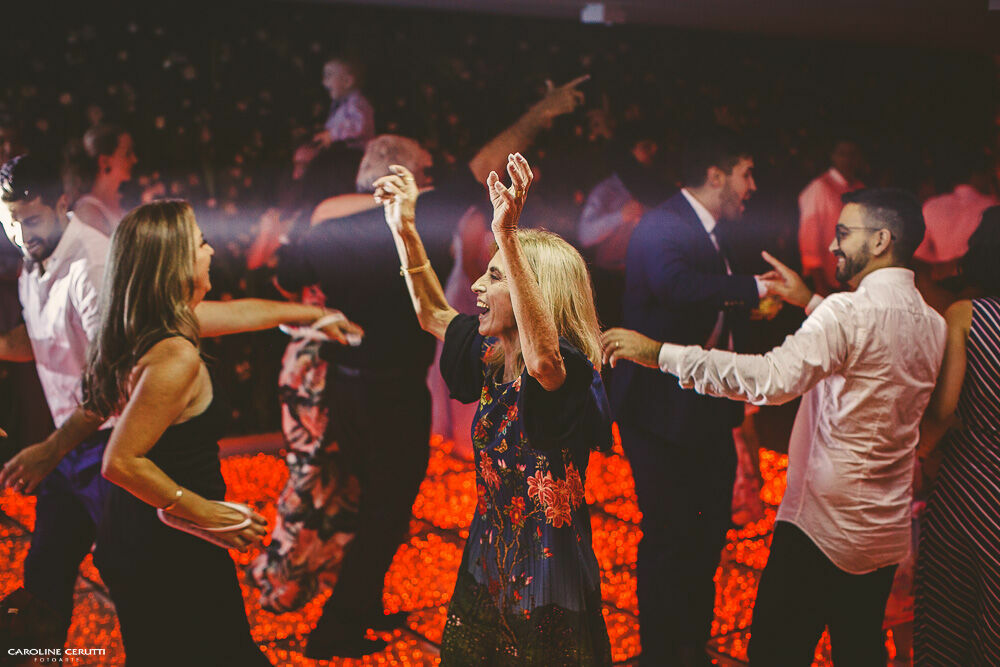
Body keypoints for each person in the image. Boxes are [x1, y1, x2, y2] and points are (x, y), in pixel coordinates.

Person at [604, 188, 946, 666]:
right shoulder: (933, 323)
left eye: (844, 234)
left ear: (880, 241)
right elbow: (870, 348)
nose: (831, 246)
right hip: (885, 534)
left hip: (821, 526)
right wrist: (810, 302)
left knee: (775, 653)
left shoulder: (846, 314)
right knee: (861, 650)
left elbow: (768, 380)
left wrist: (658, 354)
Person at [79, 200, 362, 665]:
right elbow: (120, 461)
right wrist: (208, 514)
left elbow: (243, 313)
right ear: (176, 265)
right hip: (167, 548)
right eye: (201, 243)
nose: (211, 251)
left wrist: (313, 315)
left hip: (148, 531)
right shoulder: (175, 355)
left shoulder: (160, 321)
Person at [377, 153, 612, 665]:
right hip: (489, 548)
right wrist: (404, 229)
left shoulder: (565, 369)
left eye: (495, 278)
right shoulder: (488, 358)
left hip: (550, 565)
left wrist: (508, 234)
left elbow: (543, 358)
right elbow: (431, 313)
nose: (478, 288)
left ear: (538, 293)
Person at [609, 129, 764, 667]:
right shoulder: (663, 224)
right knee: (670, 533)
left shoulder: (715, 232)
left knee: (710, 529)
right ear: (716, 175)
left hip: (705, 406)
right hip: (658, 410)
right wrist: (757, 290)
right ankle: (659, 654)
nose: (752, 186)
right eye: (746, 172)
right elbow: (675, 286)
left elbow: (701, 307)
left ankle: (691, 647)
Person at [914, 206, 1000, 666]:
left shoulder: (966, 314)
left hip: (972, 485)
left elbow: (944, 411)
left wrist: (919, 454)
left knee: (951, 612)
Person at [578, 122, 663, 328]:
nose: (653, 152)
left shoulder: (655, 189)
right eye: (645, 147)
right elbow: (585, 234)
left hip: (646, 281)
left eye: (655, 146)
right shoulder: (606, 191)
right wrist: (620, 216)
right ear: (629, 152)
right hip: (610, 281)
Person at [798, 137, 866, 296]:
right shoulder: (819, 188)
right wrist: (821, 287)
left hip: (855, 283)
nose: (848, 160)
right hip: (827, 282)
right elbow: (809, 243)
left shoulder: (860, 188)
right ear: (833, 156)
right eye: (842, 154)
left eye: (852, 154)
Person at [66, 124, 138, 235]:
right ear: (104, 161)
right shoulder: (89, 212)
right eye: (127, 153)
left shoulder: (123, 200)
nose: (134, 160)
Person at [313, 57, 375, 150]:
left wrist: (332, 134)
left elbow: (358, 126)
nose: (324, 83)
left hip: (355, 154)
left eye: (328, 76)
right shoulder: (341, 104)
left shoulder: (357, 102)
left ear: (347, 81)